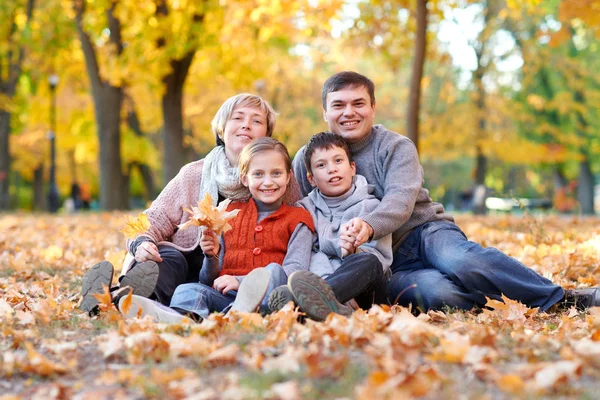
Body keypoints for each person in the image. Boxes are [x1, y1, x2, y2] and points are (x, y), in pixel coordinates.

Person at [292, 71, 600, 313]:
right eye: (339, 105)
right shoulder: (308, 159)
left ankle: (559, 298)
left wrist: (368, 226)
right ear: (325, 112)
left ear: (372, 107)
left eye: (358, 103)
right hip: (386, 262)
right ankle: (498, 300)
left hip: (424, 232)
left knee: (464, 262)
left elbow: (400, 201)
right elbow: (297, 213)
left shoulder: (395, 146)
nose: (349, 112)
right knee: (438, 294)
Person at [79, 93, 301, 315]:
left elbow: (301, 221)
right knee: (167, 259)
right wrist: (141, 243)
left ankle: (120, 302)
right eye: (238, 118)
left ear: (267, 135)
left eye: (257, 121)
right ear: (222, 129)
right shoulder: (193, 174)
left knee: (191, 289)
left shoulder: (278, 180)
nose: (246, 125)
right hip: (184, 268)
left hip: (231, 275)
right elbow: (154, 217)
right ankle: (119, 300)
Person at [121, 137, 315, 322]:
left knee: (273, 271)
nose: (268, 182)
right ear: (244, 179)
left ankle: (239, 314)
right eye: (258, 174)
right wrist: (211, 256)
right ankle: (181, 318)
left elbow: (295, 271)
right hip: (225, 296)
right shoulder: (229, 213)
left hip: (268, 297)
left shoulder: (299, 218)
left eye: (276, 173)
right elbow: (208, 280)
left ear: (288, 176)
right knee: (188, 290)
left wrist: (240, 281)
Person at [268, 132, 393, 321]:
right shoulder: (304, 210)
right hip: (321, 280)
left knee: (368, 261)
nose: (332, 169)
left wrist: (353, 252)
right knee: (310, 259)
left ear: (352, 168)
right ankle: (322, 305)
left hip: (365, 291)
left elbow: (380, 260)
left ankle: (301, 305)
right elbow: (306, 255)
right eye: (321, 165)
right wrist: (328, 282)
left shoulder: (371, 207)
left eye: (338, 161)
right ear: (311, 179)